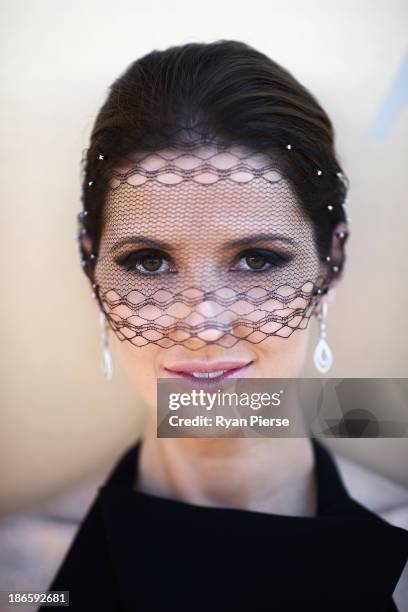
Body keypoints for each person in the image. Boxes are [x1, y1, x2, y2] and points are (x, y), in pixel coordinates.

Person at [40, 40, 408, 610]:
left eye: (258, 260)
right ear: (93, 268)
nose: (204, 325)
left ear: (331, 261)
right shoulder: (19, 578)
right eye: (149, 262)